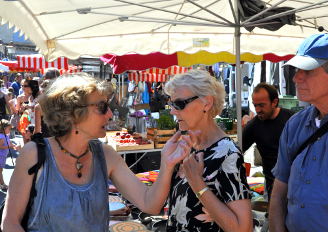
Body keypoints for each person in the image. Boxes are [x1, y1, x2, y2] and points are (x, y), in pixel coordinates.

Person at [1, 73, 193, 231]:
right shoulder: (34, 154)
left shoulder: (106, 155)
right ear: (73, 111)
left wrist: (167, 164)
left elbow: (150, 204)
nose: (110, 114)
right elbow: (10, 223)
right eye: (102, 107)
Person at [269, 33, 328, 232]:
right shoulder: (294, 124)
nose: (296, 77)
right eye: (297, 70)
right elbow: (279, 193)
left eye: (308, 70)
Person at [164, 70, 252, 232]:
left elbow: (243, 228)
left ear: (207, 103)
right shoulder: (188, 145)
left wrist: (198, 184)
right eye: (171, 104)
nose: (172, 111)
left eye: (179, 104)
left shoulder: (226, 153)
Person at [242, 83, 293, 200]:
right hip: (272, 185)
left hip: (295, 182)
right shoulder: (253, 126)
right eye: (255, 106)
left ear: (274, 102)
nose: (258, 110)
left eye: (261, 105)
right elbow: (237, 151)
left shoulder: (291, 119)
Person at [0, 119, 19, 191]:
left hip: (3, 156)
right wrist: (9, 146)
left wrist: (14, 146)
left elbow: (10, 143)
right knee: (0, 171)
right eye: (9, 128)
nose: (10, 130)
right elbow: (0, 146)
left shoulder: (6, 136)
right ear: (4, 128)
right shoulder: (1, 137)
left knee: (0, 170)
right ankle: (2, 184)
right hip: (0, 156)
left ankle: (1, 183)